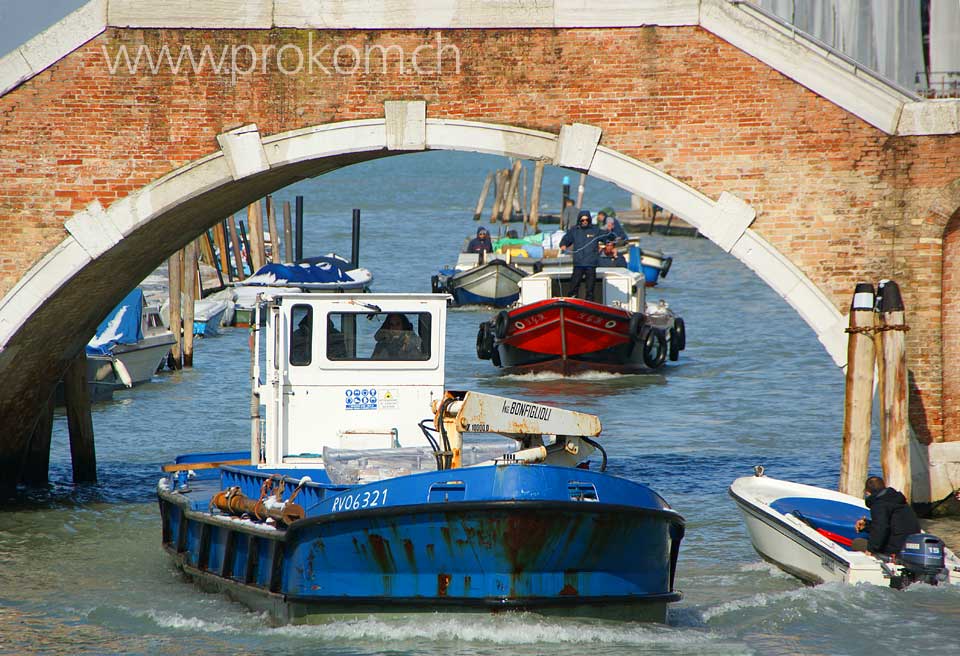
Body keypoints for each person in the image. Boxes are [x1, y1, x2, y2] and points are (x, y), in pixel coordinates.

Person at [853, 476, 921, 556]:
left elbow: (881, 528)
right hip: (911, 545)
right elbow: (891, 525)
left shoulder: (879, 504)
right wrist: (866, 525)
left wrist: (871, 550)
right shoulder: (899, 501)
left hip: (895, 549)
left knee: (857, 543)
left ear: (867, 492)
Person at [559, 210, 609, 301]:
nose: (584, 221)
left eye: (586, 220)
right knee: (574, 285)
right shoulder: (574, 230)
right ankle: (571, 300)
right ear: (579, 220)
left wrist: (611, 238)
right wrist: (563, 244)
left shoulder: (595, 230)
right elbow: (566, 239)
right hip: (578, 263)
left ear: (589, 220)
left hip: (591, 263)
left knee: (590, 288)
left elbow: (607, 236)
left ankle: (589, 302)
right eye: (582, 220)